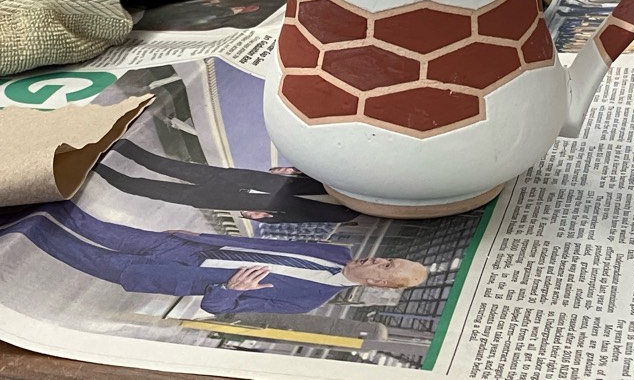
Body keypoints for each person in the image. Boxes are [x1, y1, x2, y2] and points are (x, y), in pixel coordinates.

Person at [0, 202, 427, 315]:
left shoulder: (306, 301)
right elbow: (266, 248)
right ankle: (23, 198)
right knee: (86, 222)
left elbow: (217, 309)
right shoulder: (335, 250)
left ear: (378, 284)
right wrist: (199, 235)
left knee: (72, 248)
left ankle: (19, 226)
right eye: (388, 257)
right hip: (183, 247)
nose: (379, 260)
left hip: (170, 275)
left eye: (386, 268)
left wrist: (230, 289)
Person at [96, 139, 359, 224]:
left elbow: (296, 219)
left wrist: (262, 218)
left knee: (160, 191)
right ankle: (118, 144)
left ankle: (100, 170)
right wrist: (291, 170)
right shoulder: (350, 181)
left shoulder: (343, 215)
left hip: (240, 200)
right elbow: (312, 170)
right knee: (169, 166)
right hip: (242, 179)